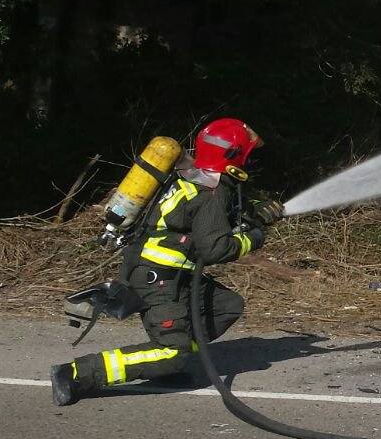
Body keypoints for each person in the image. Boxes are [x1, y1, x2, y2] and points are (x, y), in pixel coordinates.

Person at [51, 118, 283, 405]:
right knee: (173, 353)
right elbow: (215, 249)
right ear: (235, 154)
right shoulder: (211, 191)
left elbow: (207, 219)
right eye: (248, 153)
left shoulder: (190, 174)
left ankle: (165, 360)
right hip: (157, 279)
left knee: (226, 307)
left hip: (166, 273)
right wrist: (255, 238)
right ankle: (77, 373)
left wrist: (256, 214)